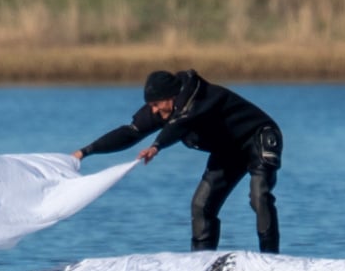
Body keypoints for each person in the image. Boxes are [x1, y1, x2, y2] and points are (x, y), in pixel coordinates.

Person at [73, 69, 283, 253]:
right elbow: (130, 133)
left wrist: (156, 146)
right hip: (228, 150)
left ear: (171, 97)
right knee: (201, 206)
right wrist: (85, 152)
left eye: (156, 104)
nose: (154, 110)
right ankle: (201, 267)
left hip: (257, 138)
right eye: (150, 105)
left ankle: (270, 260)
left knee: (259, 196)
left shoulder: (200, 98)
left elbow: (180, 125)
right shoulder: (164, 108)